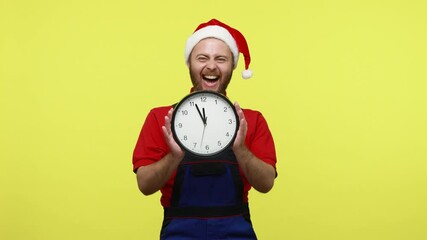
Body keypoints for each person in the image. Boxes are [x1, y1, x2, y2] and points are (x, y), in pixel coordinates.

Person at [133, 18, 277, 239]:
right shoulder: (160, 118)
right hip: (179, 233)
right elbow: (144, 185)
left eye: (221, 59)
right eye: (202, 58)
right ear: (190, 64)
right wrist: (174, 156)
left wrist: (240, 150)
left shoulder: (251, 120)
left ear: (232, 66)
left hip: (236, 232)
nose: (211, 66)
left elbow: (266, 184)